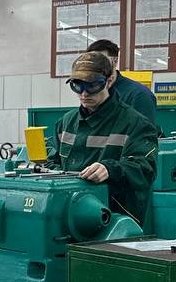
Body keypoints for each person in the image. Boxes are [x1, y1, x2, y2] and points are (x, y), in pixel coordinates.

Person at [44, 52, 158, 226]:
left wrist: (110, 169)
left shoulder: (136, 124)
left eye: (92, 86)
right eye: (77, 86)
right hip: (68, 217)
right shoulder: (66, 122)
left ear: (110, 80)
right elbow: (52, 162)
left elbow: (145, 169)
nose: (84, 94)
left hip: (113, 219)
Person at [86, 39, 158, 126]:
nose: (96, 64)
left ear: (115, 61)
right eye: (92, 60)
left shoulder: (139, 95)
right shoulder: (88, 91)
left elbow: (144, 134)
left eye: (102, 60)